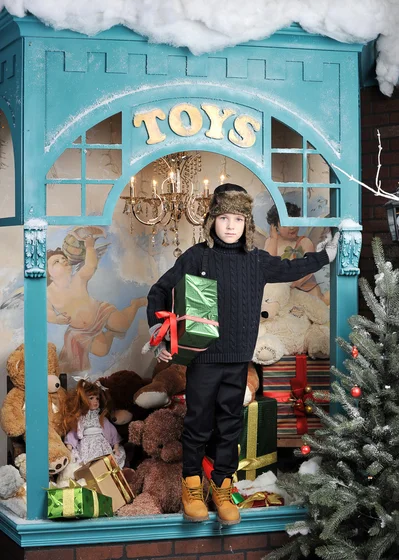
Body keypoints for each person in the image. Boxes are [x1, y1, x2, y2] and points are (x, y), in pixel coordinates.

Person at [146, 184, 339, 525]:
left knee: (230, 425)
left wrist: (324, 256)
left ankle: (222, 486)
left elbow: (291, 268)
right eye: (224, 218)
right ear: (212, 221)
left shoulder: (257, 260)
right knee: (198, 422)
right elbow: (160, 290)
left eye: (238, 219)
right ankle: (191, 485)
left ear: (247, 224)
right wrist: (158, 333)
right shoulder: (196, 256)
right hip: (204, 358)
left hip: (238, 358)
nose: (231, 225)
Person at [47, 234, 147, 372]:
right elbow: (47, 313)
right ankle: (111, 333)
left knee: (123, 325)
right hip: (80, 331)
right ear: (48, 274)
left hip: (99, 312)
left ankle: (135, 304)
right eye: (56, 262)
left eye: (63, 258)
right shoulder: (48, 294)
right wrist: (57, 319)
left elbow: (90, 265)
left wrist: (89, 247)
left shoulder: (77, 279)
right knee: (102, 351)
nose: (62, 260)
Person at [265, 202, 327, 303]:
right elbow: (268, 265)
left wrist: (294, 284)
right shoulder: (271, 241)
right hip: (281, 289)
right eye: (286, 224)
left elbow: (309, 269)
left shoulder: (304, 242)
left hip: (304, 287)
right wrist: (273, 238)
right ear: (275, 226)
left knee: (315, 304)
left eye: (294, 222)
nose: (292, 227)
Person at [64, 378, 126, 468]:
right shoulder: (81, 419)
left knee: (105, 463)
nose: (96, 401)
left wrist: (116, 447)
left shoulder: (101, 418)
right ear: (84, 400)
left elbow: (112, 432)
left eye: (97, 398)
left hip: (101, 444)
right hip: (86, 446)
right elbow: (74, 433)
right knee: (88, 464)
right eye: (91, 398)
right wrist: (69, 447)